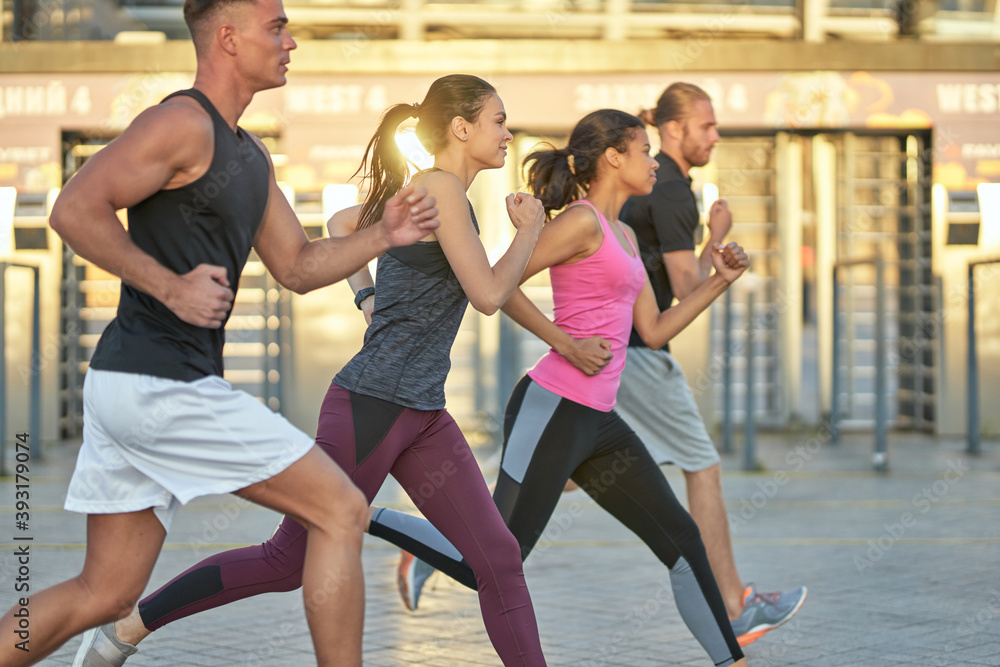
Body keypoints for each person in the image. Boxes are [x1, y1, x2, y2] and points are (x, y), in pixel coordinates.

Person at [0, 0, 441, 664]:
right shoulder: (180, 123)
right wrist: (169, 284)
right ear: (228, 38)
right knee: (341, 510)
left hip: (136, 386)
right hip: (159, 386)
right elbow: (74, 208)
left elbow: (296, 266)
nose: (291, 41)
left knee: (106, 592)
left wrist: (384, 234)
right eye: (277, 27)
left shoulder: (249, 155)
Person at [72, 74, 549, 667]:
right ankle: (128, 626)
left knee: (498, 558)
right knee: (286, 564)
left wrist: (369, 297)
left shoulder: (434, 193)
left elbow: (347, 222)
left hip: (422, 412)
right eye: (498, 120)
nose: (506, 132)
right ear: (461, 127)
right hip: (371, 405)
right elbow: (486, 294)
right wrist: (530, 232)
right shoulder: (440, 187)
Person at [373, 109, 751, 666]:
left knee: (682, 543)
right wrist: (567, 343)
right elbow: (503, 284)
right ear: (614, 159)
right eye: (645, 152)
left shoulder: (622, 234)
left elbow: (654, 329)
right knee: (497, 562)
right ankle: (367, 514)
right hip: (551, 405)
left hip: (599, 420)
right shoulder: (581, 223)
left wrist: (720, 280)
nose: (654, 163)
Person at [619, 82, 806, 646]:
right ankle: (734, 606)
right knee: (703, 465)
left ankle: (444, 550)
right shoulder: (672, 191)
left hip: (612, 350)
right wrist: (716, 245)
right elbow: (686, 292)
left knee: (566, 472)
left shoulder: (656, 185)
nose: (715, 136)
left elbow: (678, 283)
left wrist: (706, 246)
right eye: (707, 126)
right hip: (640, 356)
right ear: (673, 130)